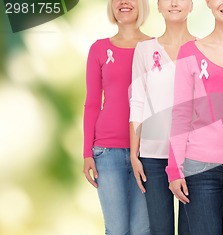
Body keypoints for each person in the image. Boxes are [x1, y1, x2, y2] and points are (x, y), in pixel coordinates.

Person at [166, 0, 223, 234]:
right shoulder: (190, 52)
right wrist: (174, 169)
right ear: (208, 3)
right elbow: (181, 112)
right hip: (200, 169)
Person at [82, 0, 151, 234]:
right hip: (107, 151)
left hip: (147, 151)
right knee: (117, 229)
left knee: (142, 229)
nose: (123, 2)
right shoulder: (99, 49)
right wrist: (86, 153)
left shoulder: (155, 47)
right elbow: (92, 103)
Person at [129, 0, 196, 234]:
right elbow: (137, 101)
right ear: (158, 6)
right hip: (153, 157)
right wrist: (134, 153)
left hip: (193, 158)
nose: (174, 3)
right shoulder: (145, 50)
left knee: (191, 230)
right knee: (160, 229)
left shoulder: (203, 48)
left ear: (192, 5)